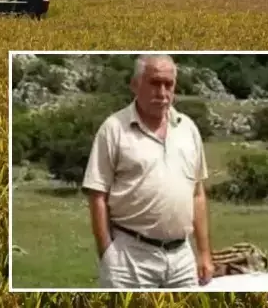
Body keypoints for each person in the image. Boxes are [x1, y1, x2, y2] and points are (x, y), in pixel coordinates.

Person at [81, 54, 215, 288]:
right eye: (154, 83)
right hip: (130, 257)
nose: (162, 92)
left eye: (168, 84)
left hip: (182, 257)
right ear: (135, 85)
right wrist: (107, 253)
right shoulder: (113, 129)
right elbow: (97, 195)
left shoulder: (188, 128)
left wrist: (203, 253)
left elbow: (197, 193)